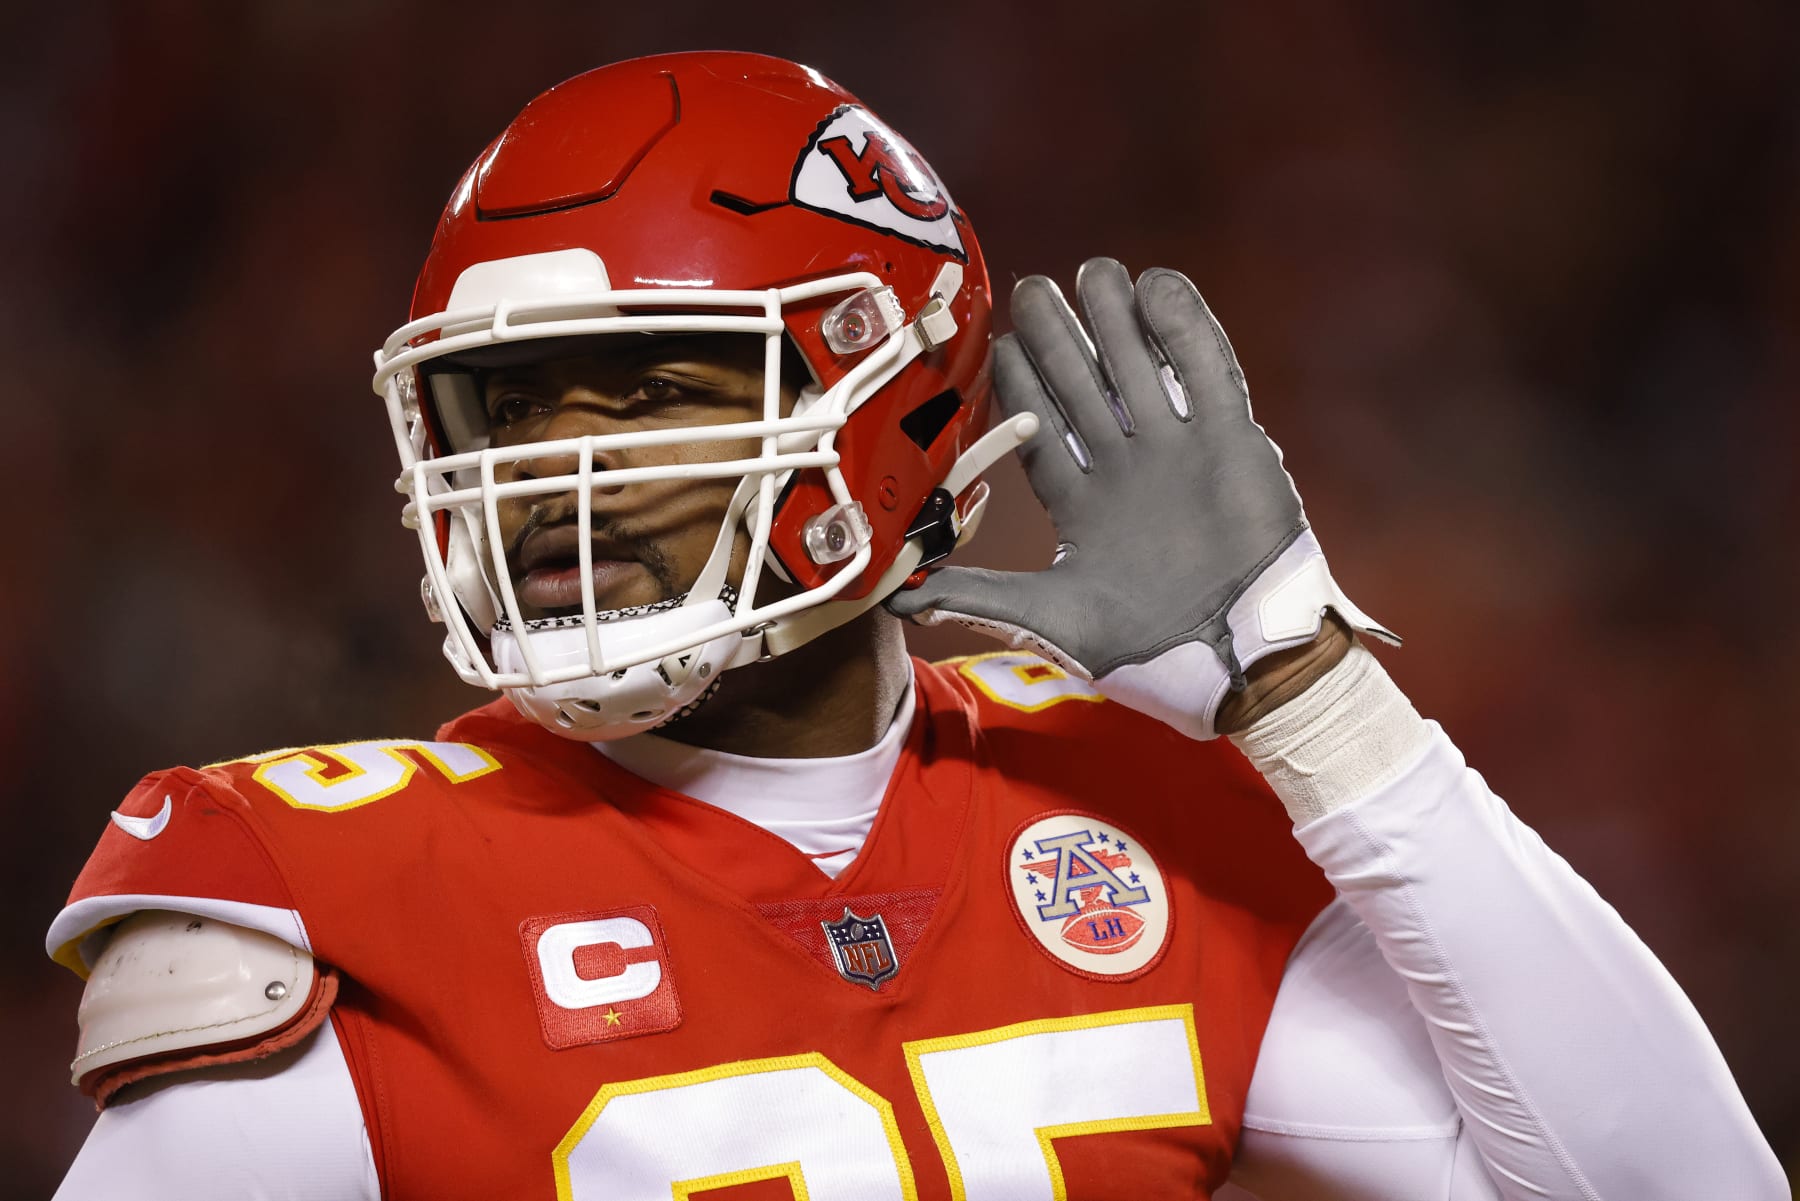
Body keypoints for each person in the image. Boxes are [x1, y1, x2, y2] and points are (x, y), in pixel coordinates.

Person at [47, 51, 1783, 1201]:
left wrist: (1311, 686)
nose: (544, 477)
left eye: (651, 390)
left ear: (902, 416)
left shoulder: (1130, 822)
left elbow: (1685, 1186)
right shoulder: (323, 888)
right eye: (503, 409)